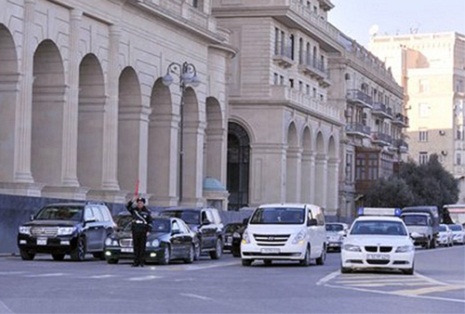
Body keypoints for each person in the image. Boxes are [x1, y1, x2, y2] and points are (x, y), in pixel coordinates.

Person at [126, 197, 152, 267]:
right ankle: (136, 261)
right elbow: (127, 206)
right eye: (138, 203)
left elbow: (150, 222)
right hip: (135, 231)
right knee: (136, 247)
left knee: (142, 247)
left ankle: (141, 261)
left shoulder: (147, 212)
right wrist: (132, 200)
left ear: (143, 204)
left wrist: (148, 231)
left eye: (141, 203)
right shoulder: (134, 211)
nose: (139, 204)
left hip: (143, 231)